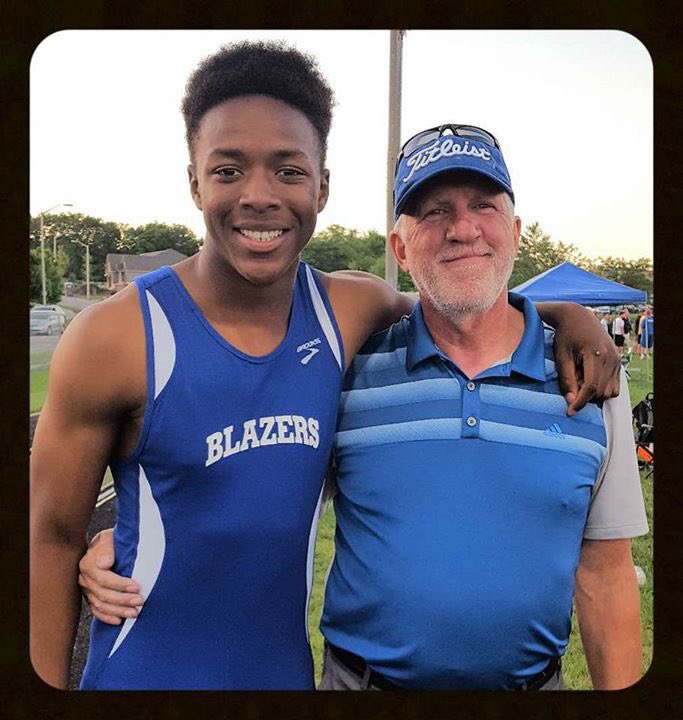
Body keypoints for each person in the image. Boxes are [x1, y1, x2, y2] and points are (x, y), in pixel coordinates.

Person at [54, 44, 619, 691]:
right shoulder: (116, 335)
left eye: (288, 171)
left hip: (283, 678)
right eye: (228, 169)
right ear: (194, 182)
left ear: (322, 186)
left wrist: (568, 315)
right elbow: (49, 536)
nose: (259, 195)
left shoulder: (346, 310)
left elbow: (462, 304)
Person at [315, 125, 648, 690]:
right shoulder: (348, 371)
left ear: (514, 234)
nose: (463, 229)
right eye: (435, 211)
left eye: (484, 206)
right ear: (400, 248)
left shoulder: (587, 379)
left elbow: (606, 574)